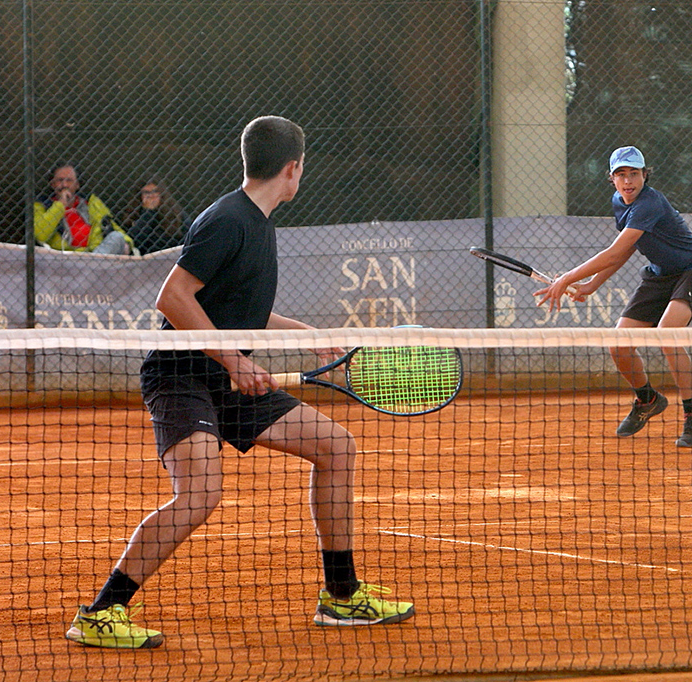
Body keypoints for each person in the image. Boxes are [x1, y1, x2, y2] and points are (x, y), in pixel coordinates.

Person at [65, 115, 415, 650]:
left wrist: (306, 335)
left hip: (226, 379)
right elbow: (172, 298)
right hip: (181, 376)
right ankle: (102, 612)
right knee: (200, 493)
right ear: (293, 168)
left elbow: (238, 309)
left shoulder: (257, 222)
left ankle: (342, 597)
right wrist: (233, 360)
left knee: (336, 447)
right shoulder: (228, 220)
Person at [535, 145, 692, 448]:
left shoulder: (650, 203)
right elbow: (627, 249)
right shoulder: (619, 202)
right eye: (621, 174)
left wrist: (566, 279)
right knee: (619, 344)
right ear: (612, 178)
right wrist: (592, 285)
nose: (628, 180)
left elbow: (614, 251)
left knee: (667, 335)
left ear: (644, 175)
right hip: (658, 276)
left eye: (634, 173)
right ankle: (647, 399)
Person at [34, 163, 134, 254]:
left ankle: (93, 264)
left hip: (95, 253)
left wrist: (127, 243)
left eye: (69, 180)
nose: (64, 185)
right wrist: (60, 205)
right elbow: (41, 236)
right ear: (52, 184)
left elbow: (112, 226)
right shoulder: (42, 205)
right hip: (64, 256)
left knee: (117, 236)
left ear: (77, 185)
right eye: (60, 180)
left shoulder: (91, 202)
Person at [121, 178, 190, 254]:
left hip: (171, 254)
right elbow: (133, 240)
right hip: (145, 256)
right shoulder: (133, 214)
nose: (151, 196)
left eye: (155, 191)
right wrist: (148, 212)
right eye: (146, 192)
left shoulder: (175, 213)